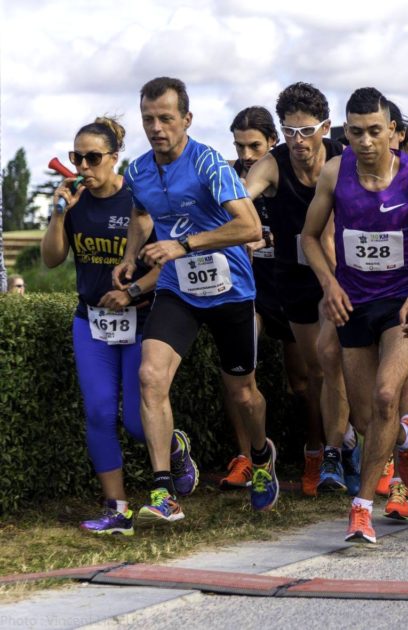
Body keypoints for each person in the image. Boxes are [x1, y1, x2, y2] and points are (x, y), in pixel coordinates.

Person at [114, 77, 279, 523]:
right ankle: (164, 490)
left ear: (186, 119)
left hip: (231, 289)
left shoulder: (209, 164)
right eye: (148, 119)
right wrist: (131, 256)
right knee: (150, 376)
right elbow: (141, 211)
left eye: (166, 118)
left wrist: (183, 245)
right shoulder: (138, 169)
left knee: (243, 394)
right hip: (178, 289)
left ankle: (262, 456)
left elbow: (248, 228)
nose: (156, 127)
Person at [301, 87, 408, 543]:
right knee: (364, 420)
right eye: (356, 132)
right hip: (353, 303)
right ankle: (402, 442)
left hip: (402, 303)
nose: (364, 141)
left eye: (375, 132)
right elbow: (309, 237)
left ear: (394, 134)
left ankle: (361, 509)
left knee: (386, 395)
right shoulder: (333, 173)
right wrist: (331, 284)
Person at [41, 116, 160, 535]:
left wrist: (134, 290)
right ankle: (117, 509)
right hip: (91, 321)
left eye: (93, 158)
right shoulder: (75, 203)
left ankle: (174, 453)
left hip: (141, 317)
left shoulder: (137, 198)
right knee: (99, 411)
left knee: (135, 420)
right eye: (77, 158)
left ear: (114, 158)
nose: (84, 167)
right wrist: (58, 216)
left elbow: (166, 260)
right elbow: (52, 259)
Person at [243, 83, 350, 498]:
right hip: (295, 276)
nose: (297, 141)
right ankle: (327, 448)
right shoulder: (273, 164)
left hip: (342, 275)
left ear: (325, 127)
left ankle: (338, 451)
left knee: (337, 359)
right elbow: (245, 194)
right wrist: (242, 222)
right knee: (315, 370)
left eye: (306, 131)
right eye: (288, 131)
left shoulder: (345, 157)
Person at [219, 106, 306, 492]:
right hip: (247, 289)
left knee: (302, 380)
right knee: (237, 376)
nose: (246, 154)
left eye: (254, 145)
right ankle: (247, 457)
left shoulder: (285, 171)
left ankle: (317, 452)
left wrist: (267, 238)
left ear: (272, 142)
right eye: (239, 146)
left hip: (288, 284)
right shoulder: (228, 179)